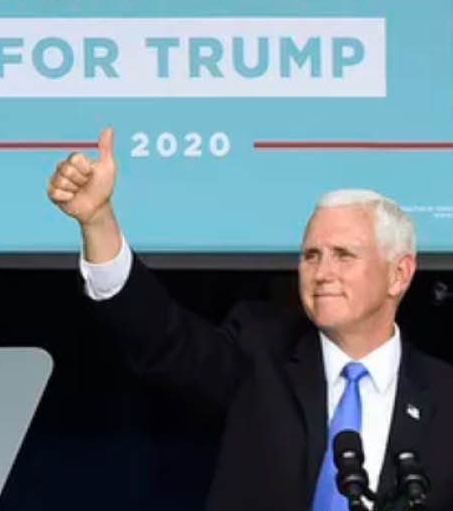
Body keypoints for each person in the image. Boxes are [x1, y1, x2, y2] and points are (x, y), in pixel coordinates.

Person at [46, 126, 453, 510]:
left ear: (399, 274)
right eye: (311, 255)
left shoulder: (445, 396)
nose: (322, 272)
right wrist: (98, 222)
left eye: (344, 255)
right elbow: (162, 336)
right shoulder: (258, 353)